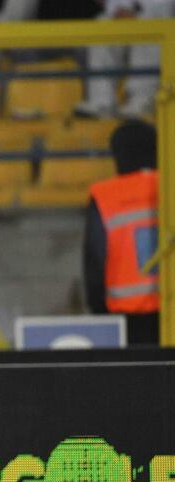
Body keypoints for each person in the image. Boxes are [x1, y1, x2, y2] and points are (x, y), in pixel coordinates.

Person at [84, 119, 160, 345]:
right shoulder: (169, 185)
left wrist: (98, 311)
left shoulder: (105, 195)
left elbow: (95, 257)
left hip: (124, 318)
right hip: (169, 309)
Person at [73, 0, 175, 119]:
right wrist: (121, 7)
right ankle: (102, 102)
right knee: (103, 24)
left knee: (150, 23)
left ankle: (141, 101)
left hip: (162, 18)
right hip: (130, 12)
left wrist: (135, 9)